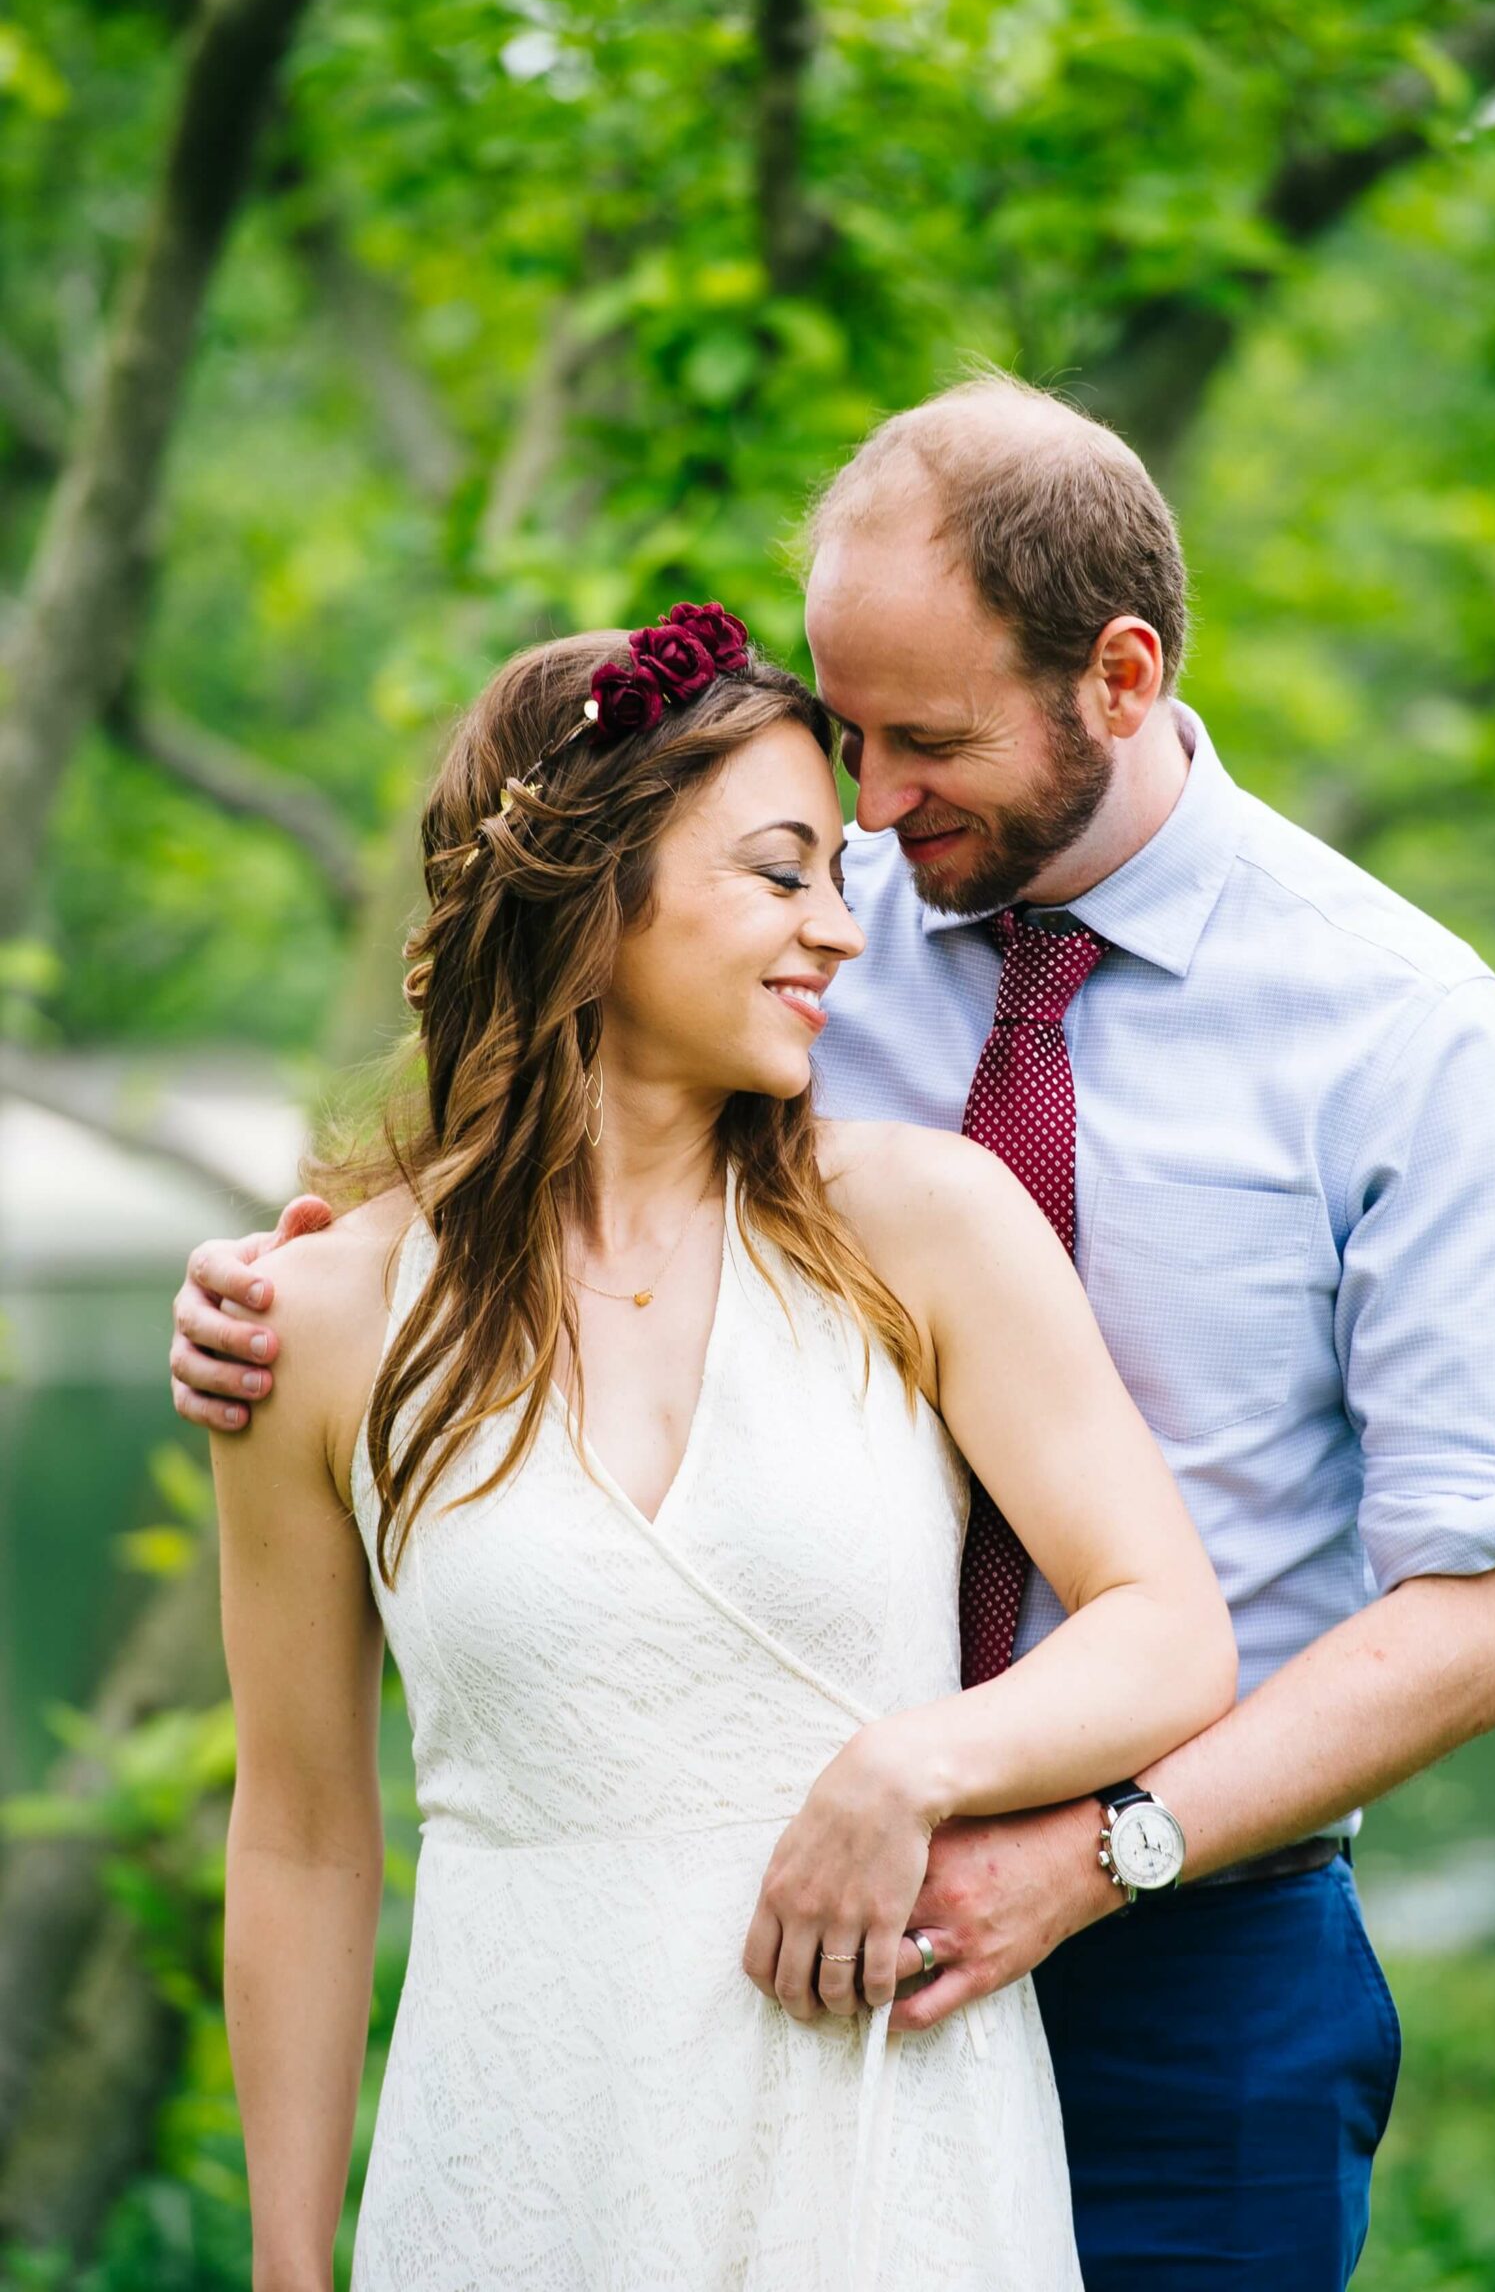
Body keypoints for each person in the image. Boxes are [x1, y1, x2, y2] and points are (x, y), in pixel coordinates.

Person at [173, 377, 1495, 2290]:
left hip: (1197, 1945)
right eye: (845, 743)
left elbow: (1475, 1623)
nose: (868, 821)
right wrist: (304, 1299)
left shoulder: (1403, 1031)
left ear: (1117, 674)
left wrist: (1072, 1844)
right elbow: (573, 1087)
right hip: (700, 1996)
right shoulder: (815, 913)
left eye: (922, 743)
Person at [201, 605, 1236, 2292]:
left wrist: (918, 1766)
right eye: (782, 874)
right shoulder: (314, 1320)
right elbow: (304, 1833)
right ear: (589, 898)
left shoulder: (924, 1224)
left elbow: (1167, 1627)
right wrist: (288, 2265)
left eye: (842, 873)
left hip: (892, 2162)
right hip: (520, 2164)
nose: (842, 929)